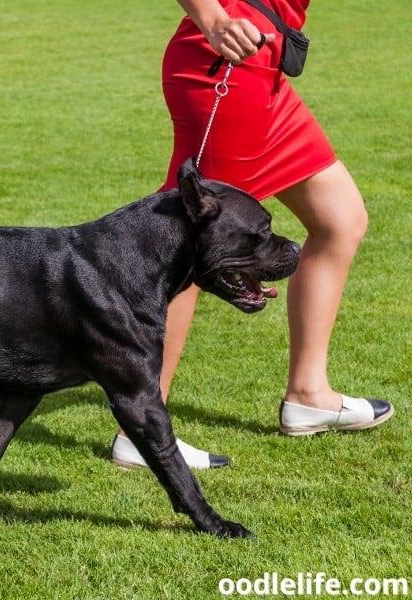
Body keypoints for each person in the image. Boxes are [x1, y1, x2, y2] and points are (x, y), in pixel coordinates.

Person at [110, 0, 394, 470]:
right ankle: (141, 431)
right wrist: (213, 18)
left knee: (339, 219)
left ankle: (309, 394)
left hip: (267, 65)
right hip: (228, 61)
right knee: (188, 250)